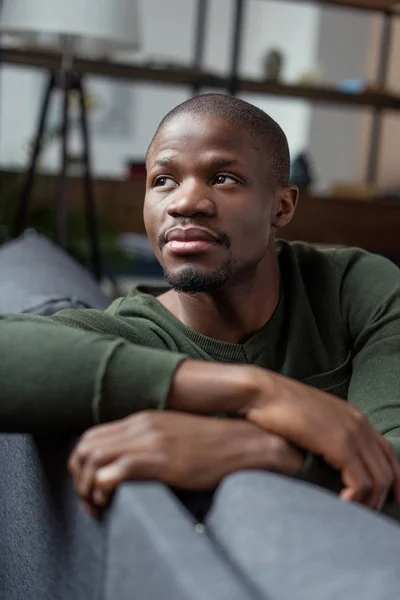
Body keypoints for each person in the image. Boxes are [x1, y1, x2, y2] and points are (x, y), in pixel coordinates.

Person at [1, 93, 400, 522]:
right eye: (163, 180)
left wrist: (260, 450)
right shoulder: (133, 333)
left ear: (281, 206)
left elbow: (391, 468)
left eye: (223, 178)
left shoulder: (354, 288)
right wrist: (258, 392)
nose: (185, 202)